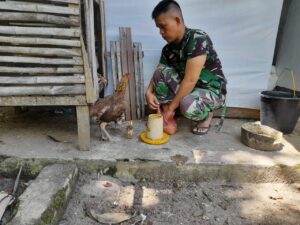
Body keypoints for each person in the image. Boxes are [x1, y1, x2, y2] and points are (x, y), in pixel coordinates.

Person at [145, 0, 227, 135]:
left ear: (177, 20)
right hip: (190, 89)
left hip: (210, 90)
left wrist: (172, 108)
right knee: (161, 73)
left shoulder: (198, 39)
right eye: (158, 28)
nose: (161, 32)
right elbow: (158, 71)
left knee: (187, 105)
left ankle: (206, 115)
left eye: (163, 26)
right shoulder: (168, 49)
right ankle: (167, 115)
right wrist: (148, 92)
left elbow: (190, 80)